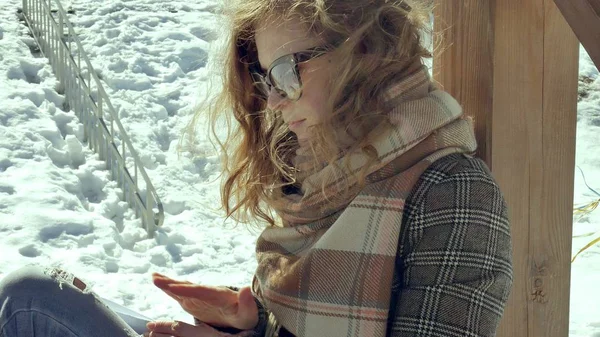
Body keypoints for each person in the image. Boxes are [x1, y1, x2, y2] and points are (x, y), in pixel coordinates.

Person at [0, 0, 513, 336]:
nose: (273, 101)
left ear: (366, 50)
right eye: (266, 80)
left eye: (288, 71)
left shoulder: (453, 193)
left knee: (32, 305)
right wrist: (256, 324)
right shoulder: (325, 177)